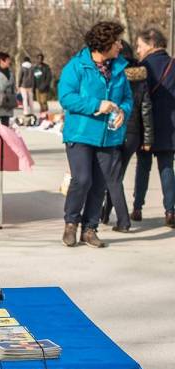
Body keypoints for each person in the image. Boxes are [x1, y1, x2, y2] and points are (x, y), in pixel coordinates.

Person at [58, 21, 132, 248]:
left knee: (100, 184)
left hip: (108, 136)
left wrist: (123, 113)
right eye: (117, 41)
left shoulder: (119, 68)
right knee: (83, 179)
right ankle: (71, 223)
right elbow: (66, 97)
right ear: (105, 43)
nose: (120, 45)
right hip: (80, 133)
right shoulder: (77, 66)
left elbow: (127, 99)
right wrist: (96, 104)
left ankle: (90, 229)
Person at [101, 41, 154, 232]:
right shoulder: (140, 77)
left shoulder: (112, 74)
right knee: (115, 175)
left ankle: (117, 218)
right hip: (133, 134)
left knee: (112, 176)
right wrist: (147, 138)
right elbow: (146, 109)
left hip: (114, 129)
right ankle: (107, 213)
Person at [132, 27, 175, 227]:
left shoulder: (142, 67)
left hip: (145, 127)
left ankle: (137, 208)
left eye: (140, 46)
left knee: (143, 168)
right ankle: (170, 211)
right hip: (170, 126)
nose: (138, 50)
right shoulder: (173, 65)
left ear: (151, 44)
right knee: (167, 168)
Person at [0, 52, 16, 126]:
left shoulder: (10, 72)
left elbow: (13, 87)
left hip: (7, 103)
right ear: (1, 61)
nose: (9, 62)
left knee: (5, 127)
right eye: (7, 60)